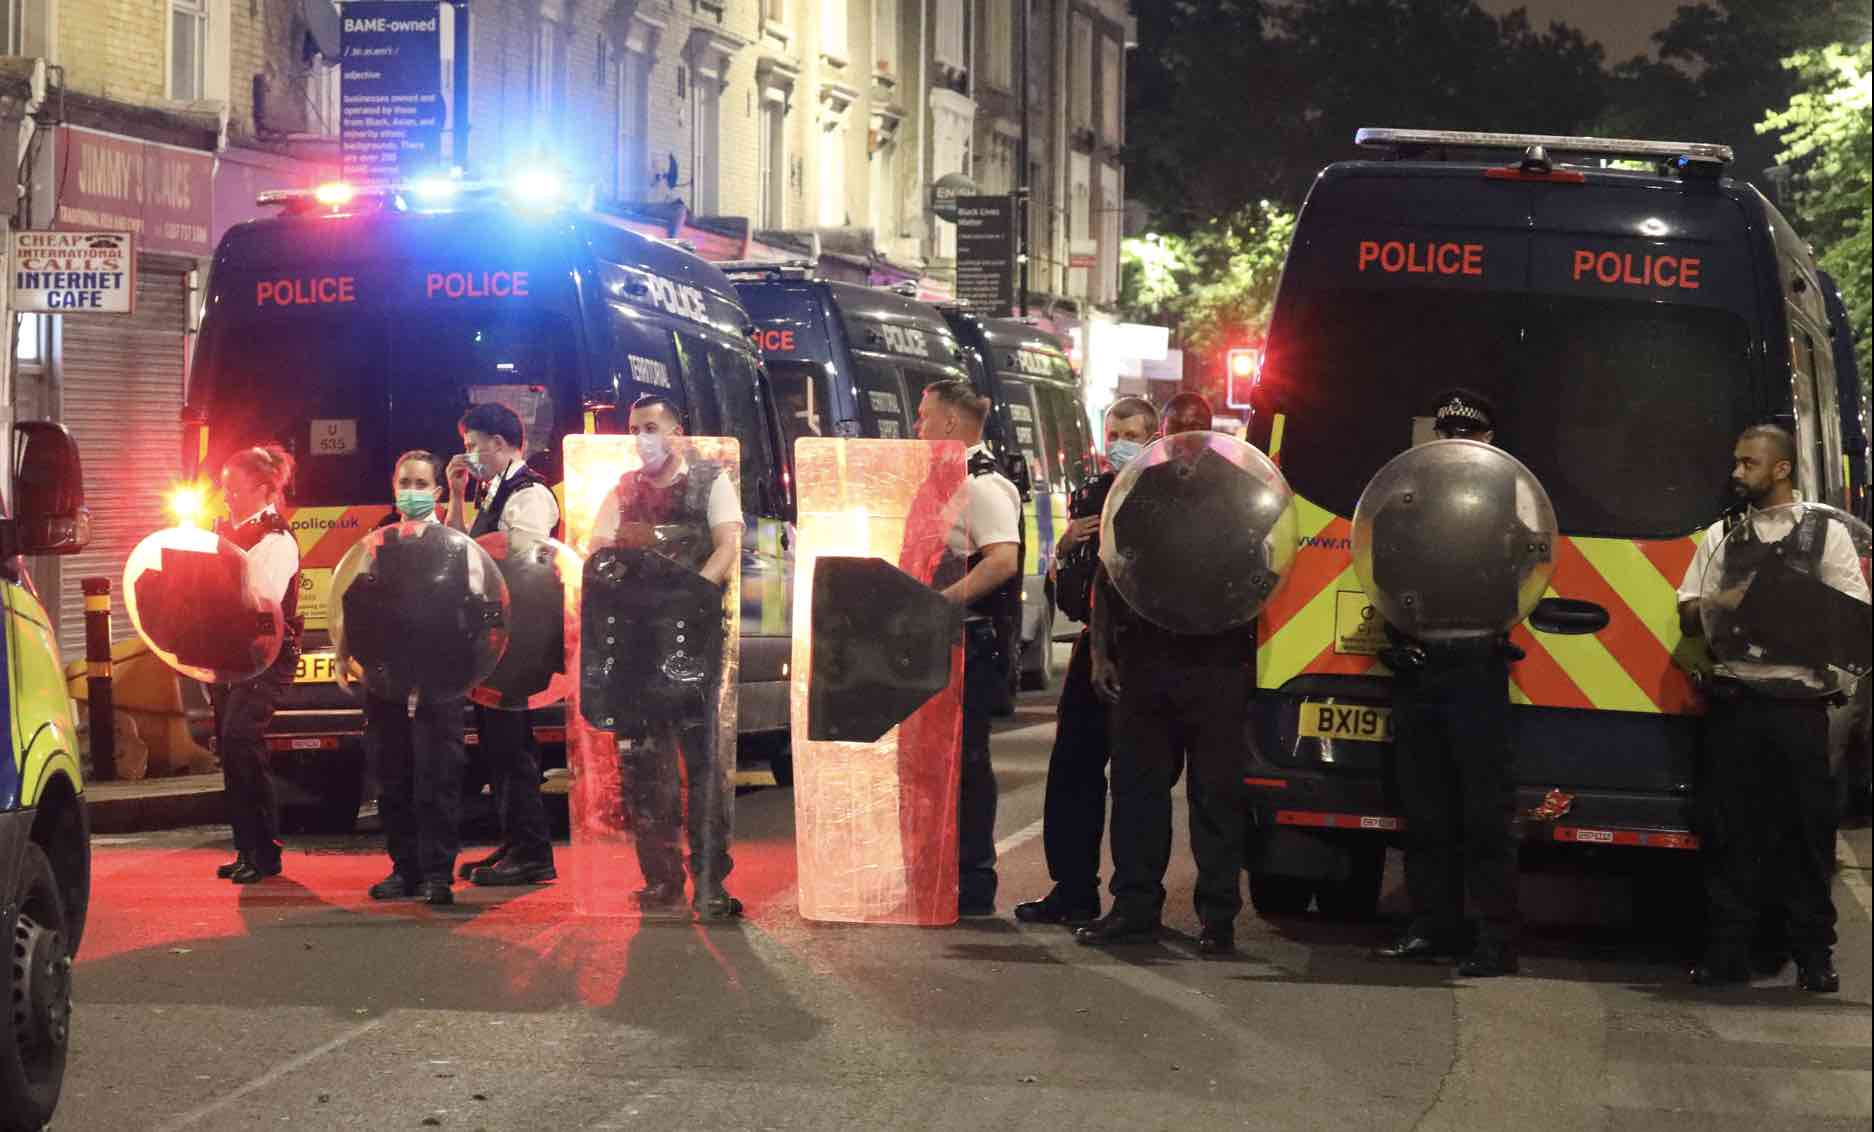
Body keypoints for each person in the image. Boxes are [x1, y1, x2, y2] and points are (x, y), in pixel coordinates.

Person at [1676, 423, 1869, 992]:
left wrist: (1783, 597)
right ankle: (1727, 951)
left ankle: (1813, 955)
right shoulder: (1722, 536)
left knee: (1806, 836)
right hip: (1737, 699)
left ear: (1781, 468)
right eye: (1736, 462)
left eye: (1748, 463)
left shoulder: (1824, 535)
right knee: (1731, 833)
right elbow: (1691, 612)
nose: (1737, 472)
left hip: (1799, 705)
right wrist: (1733, 598)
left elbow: (1853, 615)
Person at [1076, 392, 1253, 955]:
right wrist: (1102, 655)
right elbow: (1109, 576)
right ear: (1164, 432)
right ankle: (1133, 908)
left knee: (1216, 798)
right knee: (1137, 794)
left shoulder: (1240, 490)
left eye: (1198, 429)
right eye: (1178, 430)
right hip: (1147, 660)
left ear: (1212, 431)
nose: (1188, 440)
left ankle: (1218, 918)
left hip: (1216, 662)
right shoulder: (1139, 488)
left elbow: (1266, 574)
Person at [1373, 388, 1523, 977]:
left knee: (1485, 815)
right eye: (1447, 433)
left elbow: (1526, 574)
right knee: (1426, 809)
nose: (1457, 442)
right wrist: (1398, 640)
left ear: (1489, 440)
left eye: (1470, 433)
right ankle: (1433, 926)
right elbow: (1381, 570)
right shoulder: (1403, 500)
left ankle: (1494, 939)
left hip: (1476, 666)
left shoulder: (1511, 504)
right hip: (1422, 664)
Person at [587, 395, 745, 920]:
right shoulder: (625, 489)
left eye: (652, 427)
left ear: (677, 431)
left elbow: (727, 545)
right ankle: (660, 878)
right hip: (637, 640)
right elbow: (599, 546)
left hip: (692, 638)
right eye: (635, 429)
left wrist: (691, 594)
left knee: (702, 763)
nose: (642, 437)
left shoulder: (709, 481)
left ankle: (709, 881)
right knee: (642, 764)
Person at [1014, 396, 1158, 926]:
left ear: (1153, 435)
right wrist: (1066, 547)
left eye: (1131, 433)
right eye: (1113, 432)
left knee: (1136, 779)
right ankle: (1073, 888)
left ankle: (1135, 899)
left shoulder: (1165, 491)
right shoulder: (1092, 496)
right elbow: (1072, 594)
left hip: (1142, 651)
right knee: (1073, 769)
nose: (1119, 442)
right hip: (1088, 648)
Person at [914, 379, 1023, 916]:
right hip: (943, 638)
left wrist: (942, 603)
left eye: (924, 417)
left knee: (966, 764)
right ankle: (938, 870)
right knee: (935, 763)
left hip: (969, 642)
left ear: (951, 423)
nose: (918, 427)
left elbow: (1002, 560)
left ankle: (972, 880)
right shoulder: (946, 478)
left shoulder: (981, 484)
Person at [447, 402, 560, 887]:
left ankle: (534, 853)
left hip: (522, 639)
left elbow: (524, 563)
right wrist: (455, 494)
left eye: (474, 446)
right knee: (497, 744)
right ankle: (515, 842)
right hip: (495, 637)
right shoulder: (493, 491)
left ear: (498, 443)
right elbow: (454, 547)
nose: (471, 455)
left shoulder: (530, 493)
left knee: (514, 748)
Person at [355, 451, 467, 906]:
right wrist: (352, 655)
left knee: (438, 774)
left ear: (437, 491)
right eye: (405, 481)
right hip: (389, 672)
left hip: (440, 671)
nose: (412, 491)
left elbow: (473, 597)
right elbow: (356, 602)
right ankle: (404, 868)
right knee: (393, 772)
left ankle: (438, 873)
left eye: (422, 483)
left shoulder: (452, 542)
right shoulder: (377, 541)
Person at [211, 445, 302, 885]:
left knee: (242, 741)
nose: (226, 497)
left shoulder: (275, 540)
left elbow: (258, 600)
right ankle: (246, 847)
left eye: (234, 489)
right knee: (230, 750)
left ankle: (264, 851)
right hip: (231, 656)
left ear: (265, 490)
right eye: (225, 488)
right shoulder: (229, 533)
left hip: (267, 658)